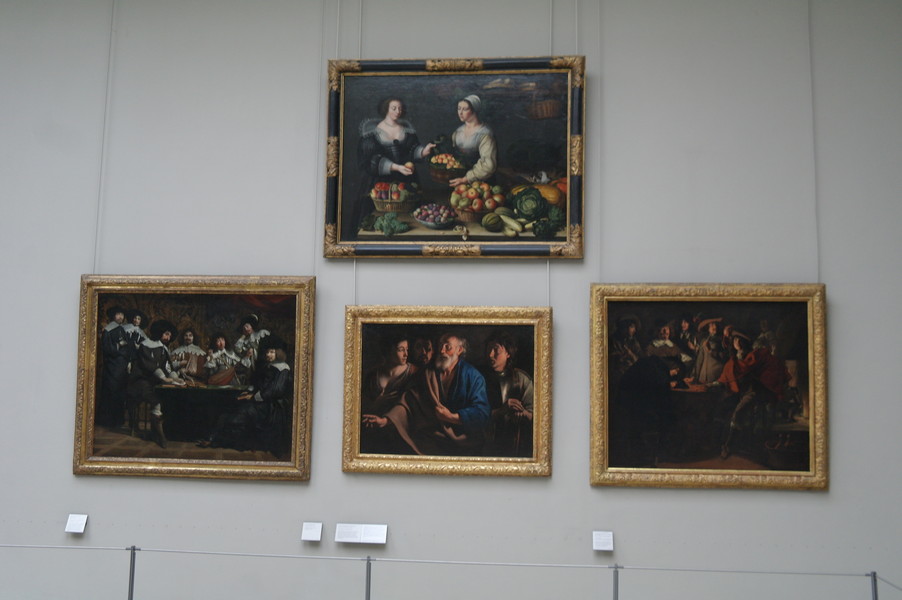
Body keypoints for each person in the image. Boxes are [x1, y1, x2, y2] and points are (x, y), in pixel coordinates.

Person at [364, 333, 490, 456]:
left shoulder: (473, 376)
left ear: (459, 350)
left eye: (448, 347)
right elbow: (409, 401)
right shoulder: (428, 373)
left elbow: (482, 412)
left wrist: (452, 417)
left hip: (464, 442)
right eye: (440, 346)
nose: (442, 351)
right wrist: (386, 420)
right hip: (431, 439)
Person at [349, 97, 436, 236]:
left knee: (409, 218)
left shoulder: (407, 130)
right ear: (386, 109)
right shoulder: (372, 133)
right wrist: (396, 167)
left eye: (400, 108)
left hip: (405, 180)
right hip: (380, 183)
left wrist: (423, 151)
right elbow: (370, 160)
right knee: (376, 221)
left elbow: (412, 150)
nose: (398, 111)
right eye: (394, 108)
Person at [198, 346, 293, 458]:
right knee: (230, 408)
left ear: (279, 353)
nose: (268, 354)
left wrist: (253, 397)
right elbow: (258, 384)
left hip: (270, 406)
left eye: (272, 352)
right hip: (260, 401)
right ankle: (212, 438)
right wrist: (249, 391)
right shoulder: (267, 366)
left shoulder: (283, 369)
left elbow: (275, 391)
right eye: (267, 352)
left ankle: (216, 440)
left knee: (241, 414)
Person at [709, 332, 791, 459]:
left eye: (739, 339)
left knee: (738, 414)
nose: (736, 342)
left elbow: (750, 369)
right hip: (739, 392)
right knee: (722, 409)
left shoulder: (753, 357)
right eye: (735, 340)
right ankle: (719, 444)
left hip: (753, 392)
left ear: (744, 342)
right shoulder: (734, 359)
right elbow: (725, 376)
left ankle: (728, 446)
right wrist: (713, 384)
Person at [125, 319, 185, 447]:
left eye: (170, 335)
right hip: (140, 381)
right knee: (156, 401)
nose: (168, 337)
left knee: (169, 397)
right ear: (159, 332)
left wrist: (175, 378)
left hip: (154, 381)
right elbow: (149, 365)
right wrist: (163, 377)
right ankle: (160, 437)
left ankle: (158, 432)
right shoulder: (145, 345)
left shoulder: (163, 348)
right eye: (166, 334)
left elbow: (167, 367)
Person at [360, 333, 419, 453]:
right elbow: (361, 406)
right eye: (401, 350)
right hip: (373, 433)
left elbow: (408, 405)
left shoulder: (413, 373)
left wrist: (385, 421)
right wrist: (376, 403)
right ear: (388, 350)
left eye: (407, 349)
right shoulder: (373, 375)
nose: (406, 354)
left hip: (401, 434)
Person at [482, 331, 534, 457]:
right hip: (485, 445)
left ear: (508, 353)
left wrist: (523, 413)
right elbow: (474, 416)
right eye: (489, 349)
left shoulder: (521, 379)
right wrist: (501, 411)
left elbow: (537, 416)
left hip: (516, 445)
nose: (490, 354)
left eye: (496, 350)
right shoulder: (479, 378)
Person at [448, 94, 497, 186]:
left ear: (474, 110)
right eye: (459, 108)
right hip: (457, 181)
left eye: (465, 109)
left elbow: (488, 165)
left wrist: (466, 179)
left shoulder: (484, 134)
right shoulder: (458, 132)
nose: (460, 113)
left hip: (481, 183)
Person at [98, 306, 130, 428]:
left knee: (120, 393)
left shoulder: (121, 329)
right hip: (112, 367)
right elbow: (107, 348)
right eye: (118, 314)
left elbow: (126, 347)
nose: (120, 317)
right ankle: (108, 422)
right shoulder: (108, 330)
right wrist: (118, 345)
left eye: (122, 314)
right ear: (113, 316)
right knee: (111, 392)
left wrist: (128, 360)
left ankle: (118, 421)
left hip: (122, 367)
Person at [689, 317, 727, 384]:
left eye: (715, 325)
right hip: (703, 376)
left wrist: (710, 350)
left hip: (716, 375)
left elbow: (724, 357)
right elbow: (699, 359)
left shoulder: (722, 341)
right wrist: (695, 376)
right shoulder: (704, 340)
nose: (714, 327)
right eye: (711, 325)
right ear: (708, 328)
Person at [234, 314, 270, 381]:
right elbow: (237, 349)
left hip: (263, 361)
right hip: (252, 367)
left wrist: (255, 349)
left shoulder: (260, 333)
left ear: (252, 326)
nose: (245, 328)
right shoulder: (245, 341)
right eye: (243, 328)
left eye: (247, 326)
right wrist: (243, 336)